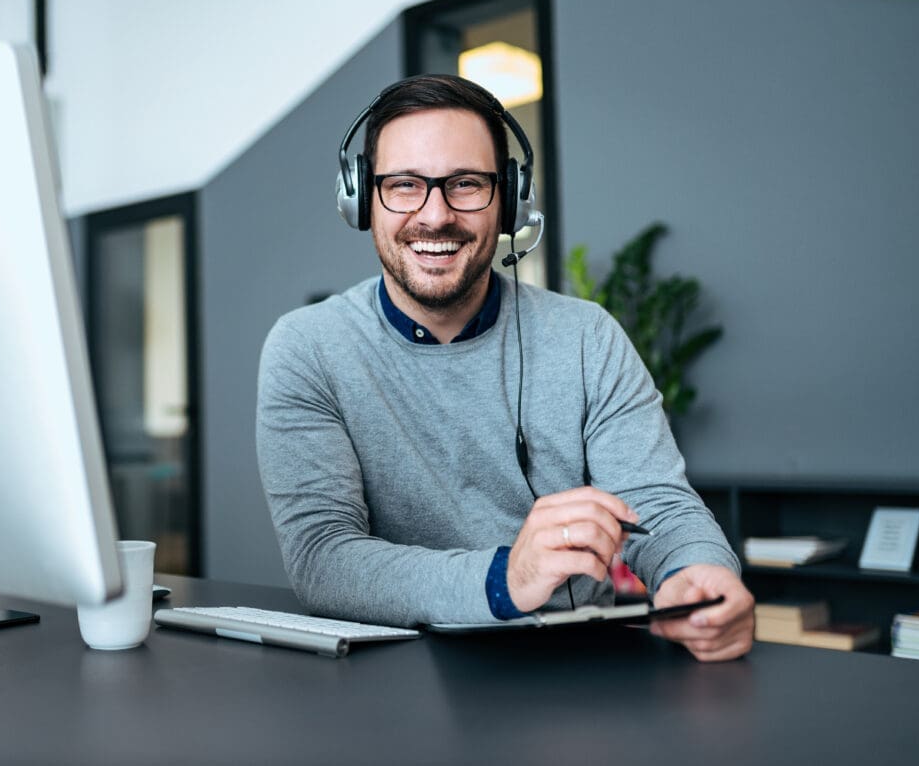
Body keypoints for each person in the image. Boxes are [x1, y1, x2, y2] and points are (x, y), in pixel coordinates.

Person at [255, 74, 754, 662]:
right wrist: (503, 580)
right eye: (404, 185)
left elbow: (659, 506)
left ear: (511, 198)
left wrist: (696, 574)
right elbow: (324, 558)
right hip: (389, 679)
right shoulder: (308, 347)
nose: (435, 215)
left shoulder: (586, 336)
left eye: (466, 184)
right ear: (362, 197)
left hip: (572, 669)